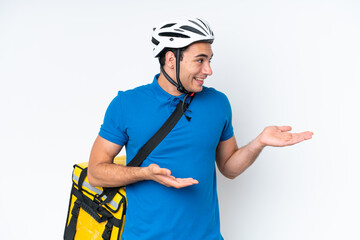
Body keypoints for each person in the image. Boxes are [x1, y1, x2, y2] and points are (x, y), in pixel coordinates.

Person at [87, 17, 313, 240]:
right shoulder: (127, 104)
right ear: (171, 59)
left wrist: (259, 142)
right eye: (200, 60)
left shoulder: (218, 104)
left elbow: (229, 168)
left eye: (210, 60)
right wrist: (145, 174)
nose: (209, 70)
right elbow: (96, 174)